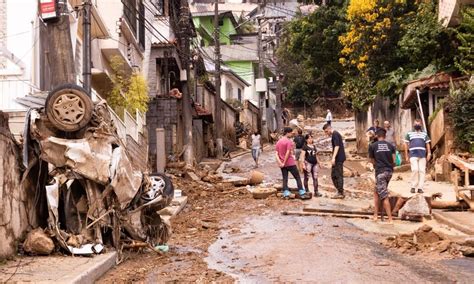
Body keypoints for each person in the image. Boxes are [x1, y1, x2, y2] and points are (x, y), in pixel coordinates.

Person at [368, 129, 396, 223]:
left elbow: (371, 160)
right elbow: (394, 160)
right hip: (389, 172)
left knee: (384, 196)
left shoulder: (373, 146)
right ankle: (376, 215)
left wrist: (376, 165)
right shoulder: (391, 146)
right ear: (385, 135)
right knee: (376, 192)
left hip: (380, 173)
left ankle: (390, 219)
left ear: (376, 135)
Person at [275, 127, 308, 199]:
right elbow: (288, 152)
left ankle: (286, 193)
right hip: (290, 163)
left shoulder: (278, 142)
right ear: (287, 133)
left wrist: (280, 162)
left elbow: (276, 154)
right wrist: (284, 162)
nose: (292, 134)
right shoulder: (288, 141)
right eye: (291, 133)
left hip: (282, 165)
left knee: (285, 178)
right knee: (297, 177)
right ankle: (301, 192)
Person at [404, 119, 431, 194]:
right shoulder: (409, 134)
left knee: (422, 171)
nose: (417, 125)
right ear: (413, 125)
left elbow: (427, 144)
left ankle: (420, 188)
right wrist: (406, 155)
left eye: (418, 124)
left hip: (422, 155)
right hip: (413, 154)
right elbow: (406, 144)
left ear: (421, 125)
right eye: (416, 124)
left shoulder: (424, 134)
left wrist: (429, 153)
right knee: (415, 169)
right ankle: (413, 186)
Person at [323, 123, 346, 199]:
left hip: (338, 158)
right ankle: (340, 190)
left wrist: (333, 158)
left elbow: (337, 146)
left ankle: (340, 192)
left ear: (329, 128)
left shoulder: (335, 134)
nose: (326, 133)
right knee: (333, 175)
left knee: (338, 175)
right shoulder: (334, 134)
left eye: (326, 131)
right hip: (338, 157)